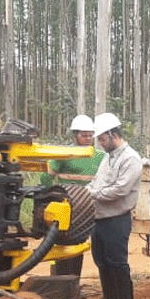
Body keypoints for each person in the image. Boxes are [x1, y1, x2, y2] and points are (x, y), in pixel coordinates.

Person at [84, 113, 143, 299]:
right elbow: (97, 183)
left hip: (117, 219)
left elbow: (120, 190)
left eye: (102, 139)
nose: (100, 143)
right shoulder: (108, 158)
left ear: (113, 134)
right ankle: (108, 298)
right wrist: (86, 191)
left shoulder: (131, 159)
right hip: (99, 218)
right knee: (101, 260)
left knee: (117, 261)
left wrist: (91, 194)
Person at [45, 114, 104, 275]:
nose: (87, 138)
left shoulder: (100, 157)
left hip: (89, 208)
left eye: (90, 135)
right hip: (67, 209)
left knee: (80, 245)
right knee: (62, 244)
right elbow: (46, 177)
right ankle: (59, 279)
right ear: (74, 135)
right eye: (83, 135)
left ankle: (72, 281)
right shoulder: (64, 154)